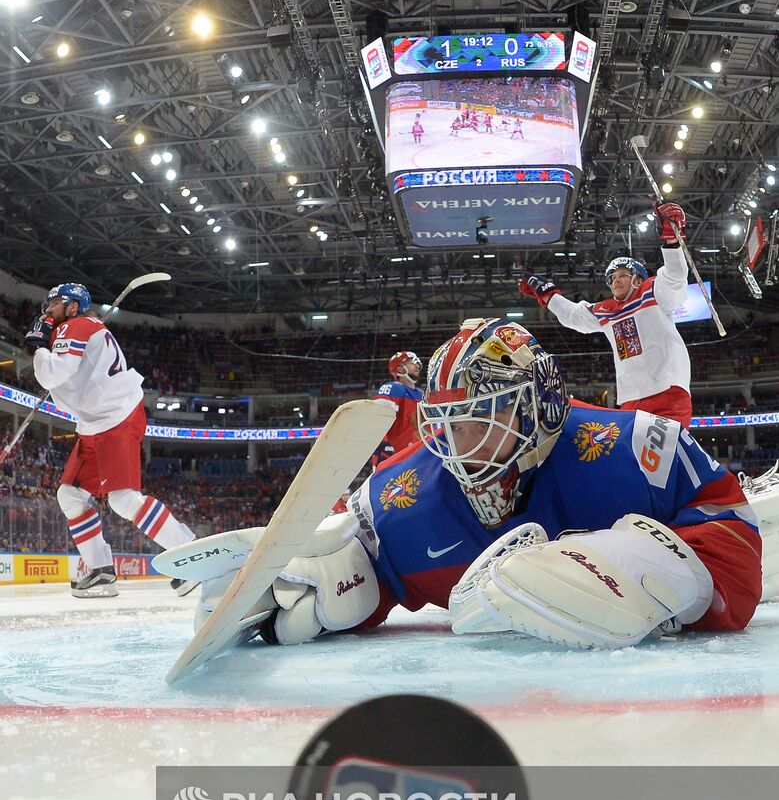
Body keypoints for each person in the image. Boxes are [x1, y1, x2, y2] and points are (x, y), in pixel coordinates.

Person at [194, 318, 762, 652]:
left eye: (480, 418)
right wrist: (347, 577)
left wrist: (662, 568)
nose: (458, 444)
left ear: (538, 404)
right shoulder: (405, 497)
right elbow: (370, 569)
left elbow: (734, 527)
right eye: (444, 424)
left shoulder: (635, 448)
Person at [24, 282, 196, 598]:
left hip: (114, 418)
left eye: (54, 304)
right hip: (97, 421)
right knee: (71, 494)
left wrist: (38, 346)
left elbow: (52, 375)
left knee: (123, 499)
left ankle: (191, 557)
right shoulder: (86, 325)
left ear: (72, 307)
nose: (47, 310)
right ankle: (100, 571)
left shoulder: (73, 325)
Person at [519, 202, 693, 426]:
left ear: (637, 279)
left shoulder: (653, 292)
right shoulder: (607, 311)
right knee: (633, 461)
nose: (615, 281)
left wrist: (671, 240)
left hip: (667, 391)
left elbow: (675, 278)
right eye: (611, 278)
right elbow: (574, 315)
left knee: (669, 457)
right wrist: (549, 295)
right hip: (630, 399)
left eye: (622, 275)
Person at [370, 350, 423, 470]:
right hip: (397, 455)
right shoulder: (392, 389)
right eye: (411, 362)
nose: (417, 365)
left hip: (420, 454)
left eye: (417, 363)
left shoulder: (423, 395)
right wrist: (383, 444)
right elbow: (378, 420)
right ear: (400, 369)